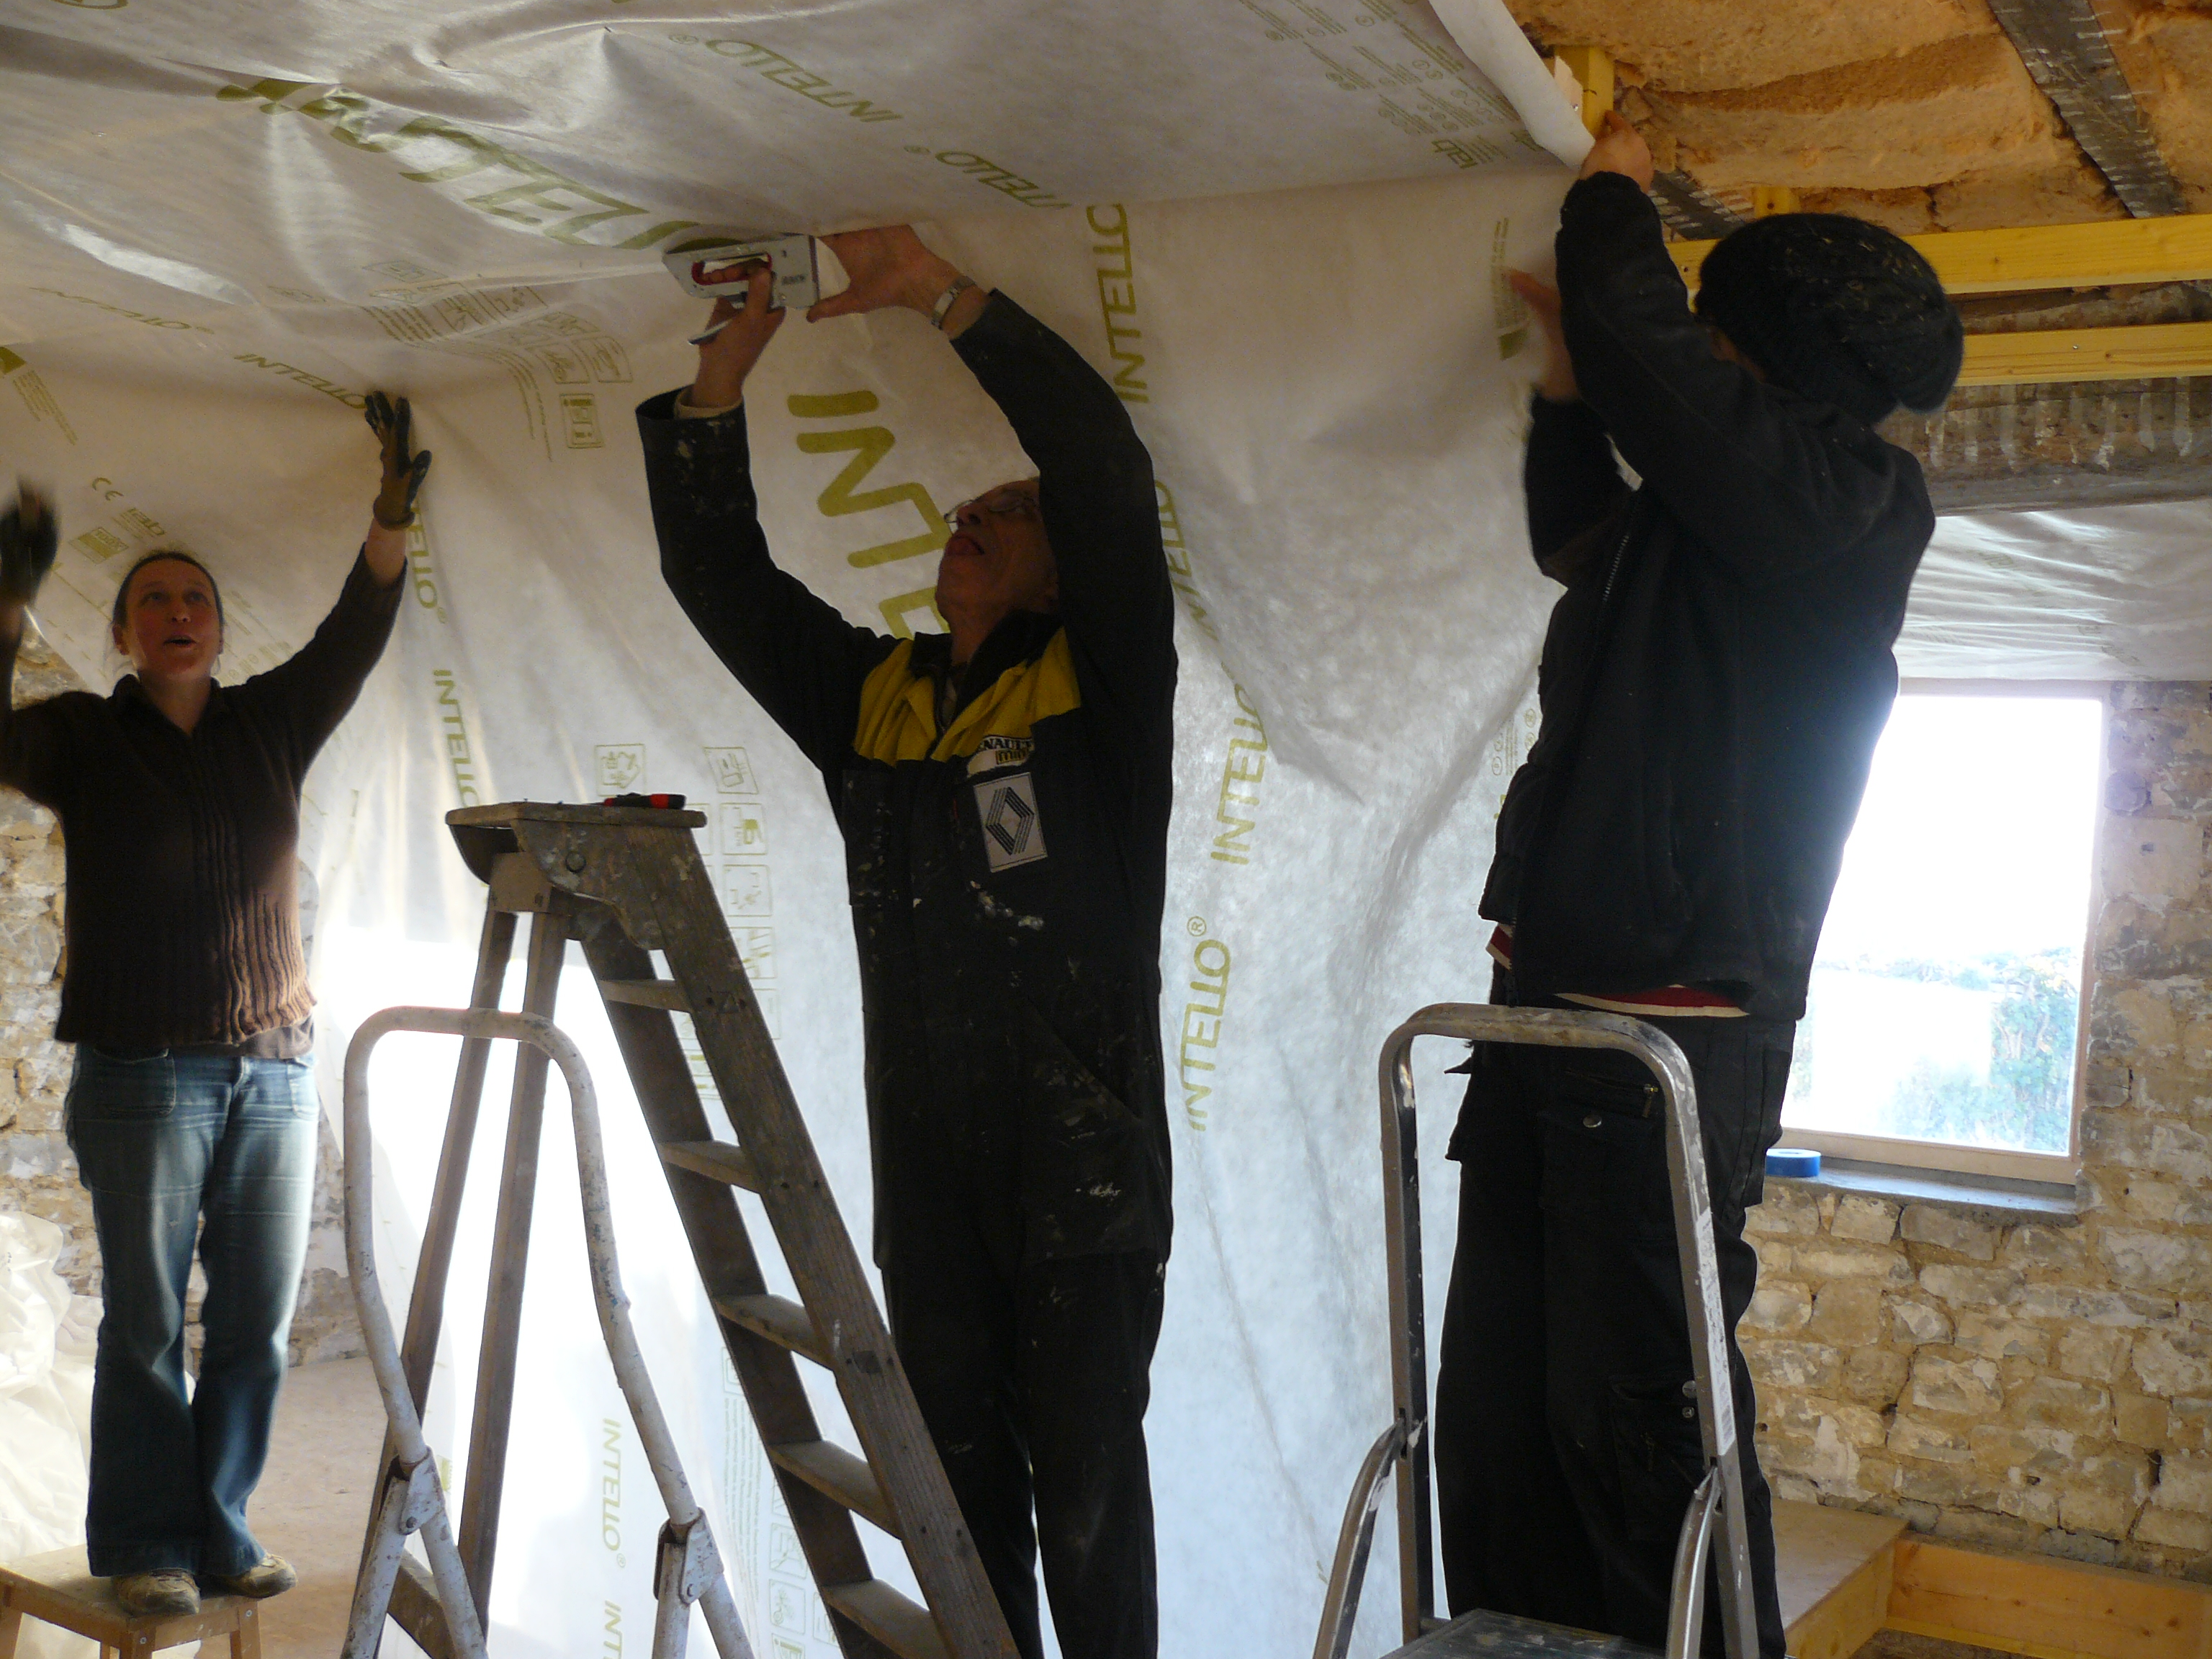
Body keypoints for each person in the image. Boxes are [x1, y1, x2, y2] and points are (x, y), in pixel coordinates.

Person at [1432, 112, 1962, 1657]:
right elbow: (1577, 541)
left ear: (1773, 363)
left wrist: (1611, 198)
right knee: (1507, 1413)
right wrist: (1562, 384)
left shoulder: (1844, 503)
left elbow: (1654, 360)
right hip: (1558, 1013)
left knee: (1640, 1413)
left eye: (1718, 339)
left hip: (1671, 1031)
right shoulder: (1728, 530)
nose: (1699, 361)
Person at [636, 227, 1175, 1659]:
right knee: (953, 1497)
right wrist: (719, 383)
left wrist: (945, 297)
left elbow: (1102, 468)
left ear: (1063, 575)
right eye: (964, 511)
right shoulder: (880, 699)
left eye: (1008, 513)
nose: (971, 518)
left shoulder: (1103, 687)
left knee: (1089, 1506)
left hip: (1081, 1162)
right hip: (929, 1162)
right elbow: (722, 578)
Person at [0, 393, 428, 1617]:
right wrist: (8, 605)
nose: (177, 614)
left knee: (255, 1323)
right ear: (123, 635)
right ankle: (147, 1545)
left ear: (221, 628)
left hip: (277, 1072)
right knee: (145, 1322)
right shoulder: (83, 737)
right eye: (153, 602)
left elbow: (355, 633)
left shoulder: (272, 723)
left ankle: (222, 1529)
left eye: (194, 600)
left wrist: (389, 516)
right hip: (142, 1076)